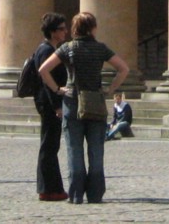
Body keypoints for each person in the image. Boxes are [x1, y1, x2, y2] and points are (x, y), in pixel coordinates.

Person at [38, 11, 128, 205]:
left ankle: (77, 193)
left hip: (72, 102)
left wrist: (57, 89)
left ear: (75, 29)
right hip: (95, 102)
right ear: (93, 28)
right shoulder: (101, 48)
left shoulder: (67, 48)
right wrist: (110, 89)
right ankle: (95, 193)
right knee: (96, 150)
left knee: (74, 149)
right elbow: (123, 68)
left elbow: (43, 69)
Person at [31, 12, 69, 201]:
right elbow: (47, 82)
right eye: (62, 29)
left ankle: (50, 188)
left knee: (50, 145)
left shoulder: (47, 49)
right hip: (48, 103)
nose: (65, 32)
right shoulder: (46, 51)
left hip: (47, 102)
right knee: (49, 145)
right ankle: (48, 189)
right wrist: (56, 105)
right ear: (53, 32)